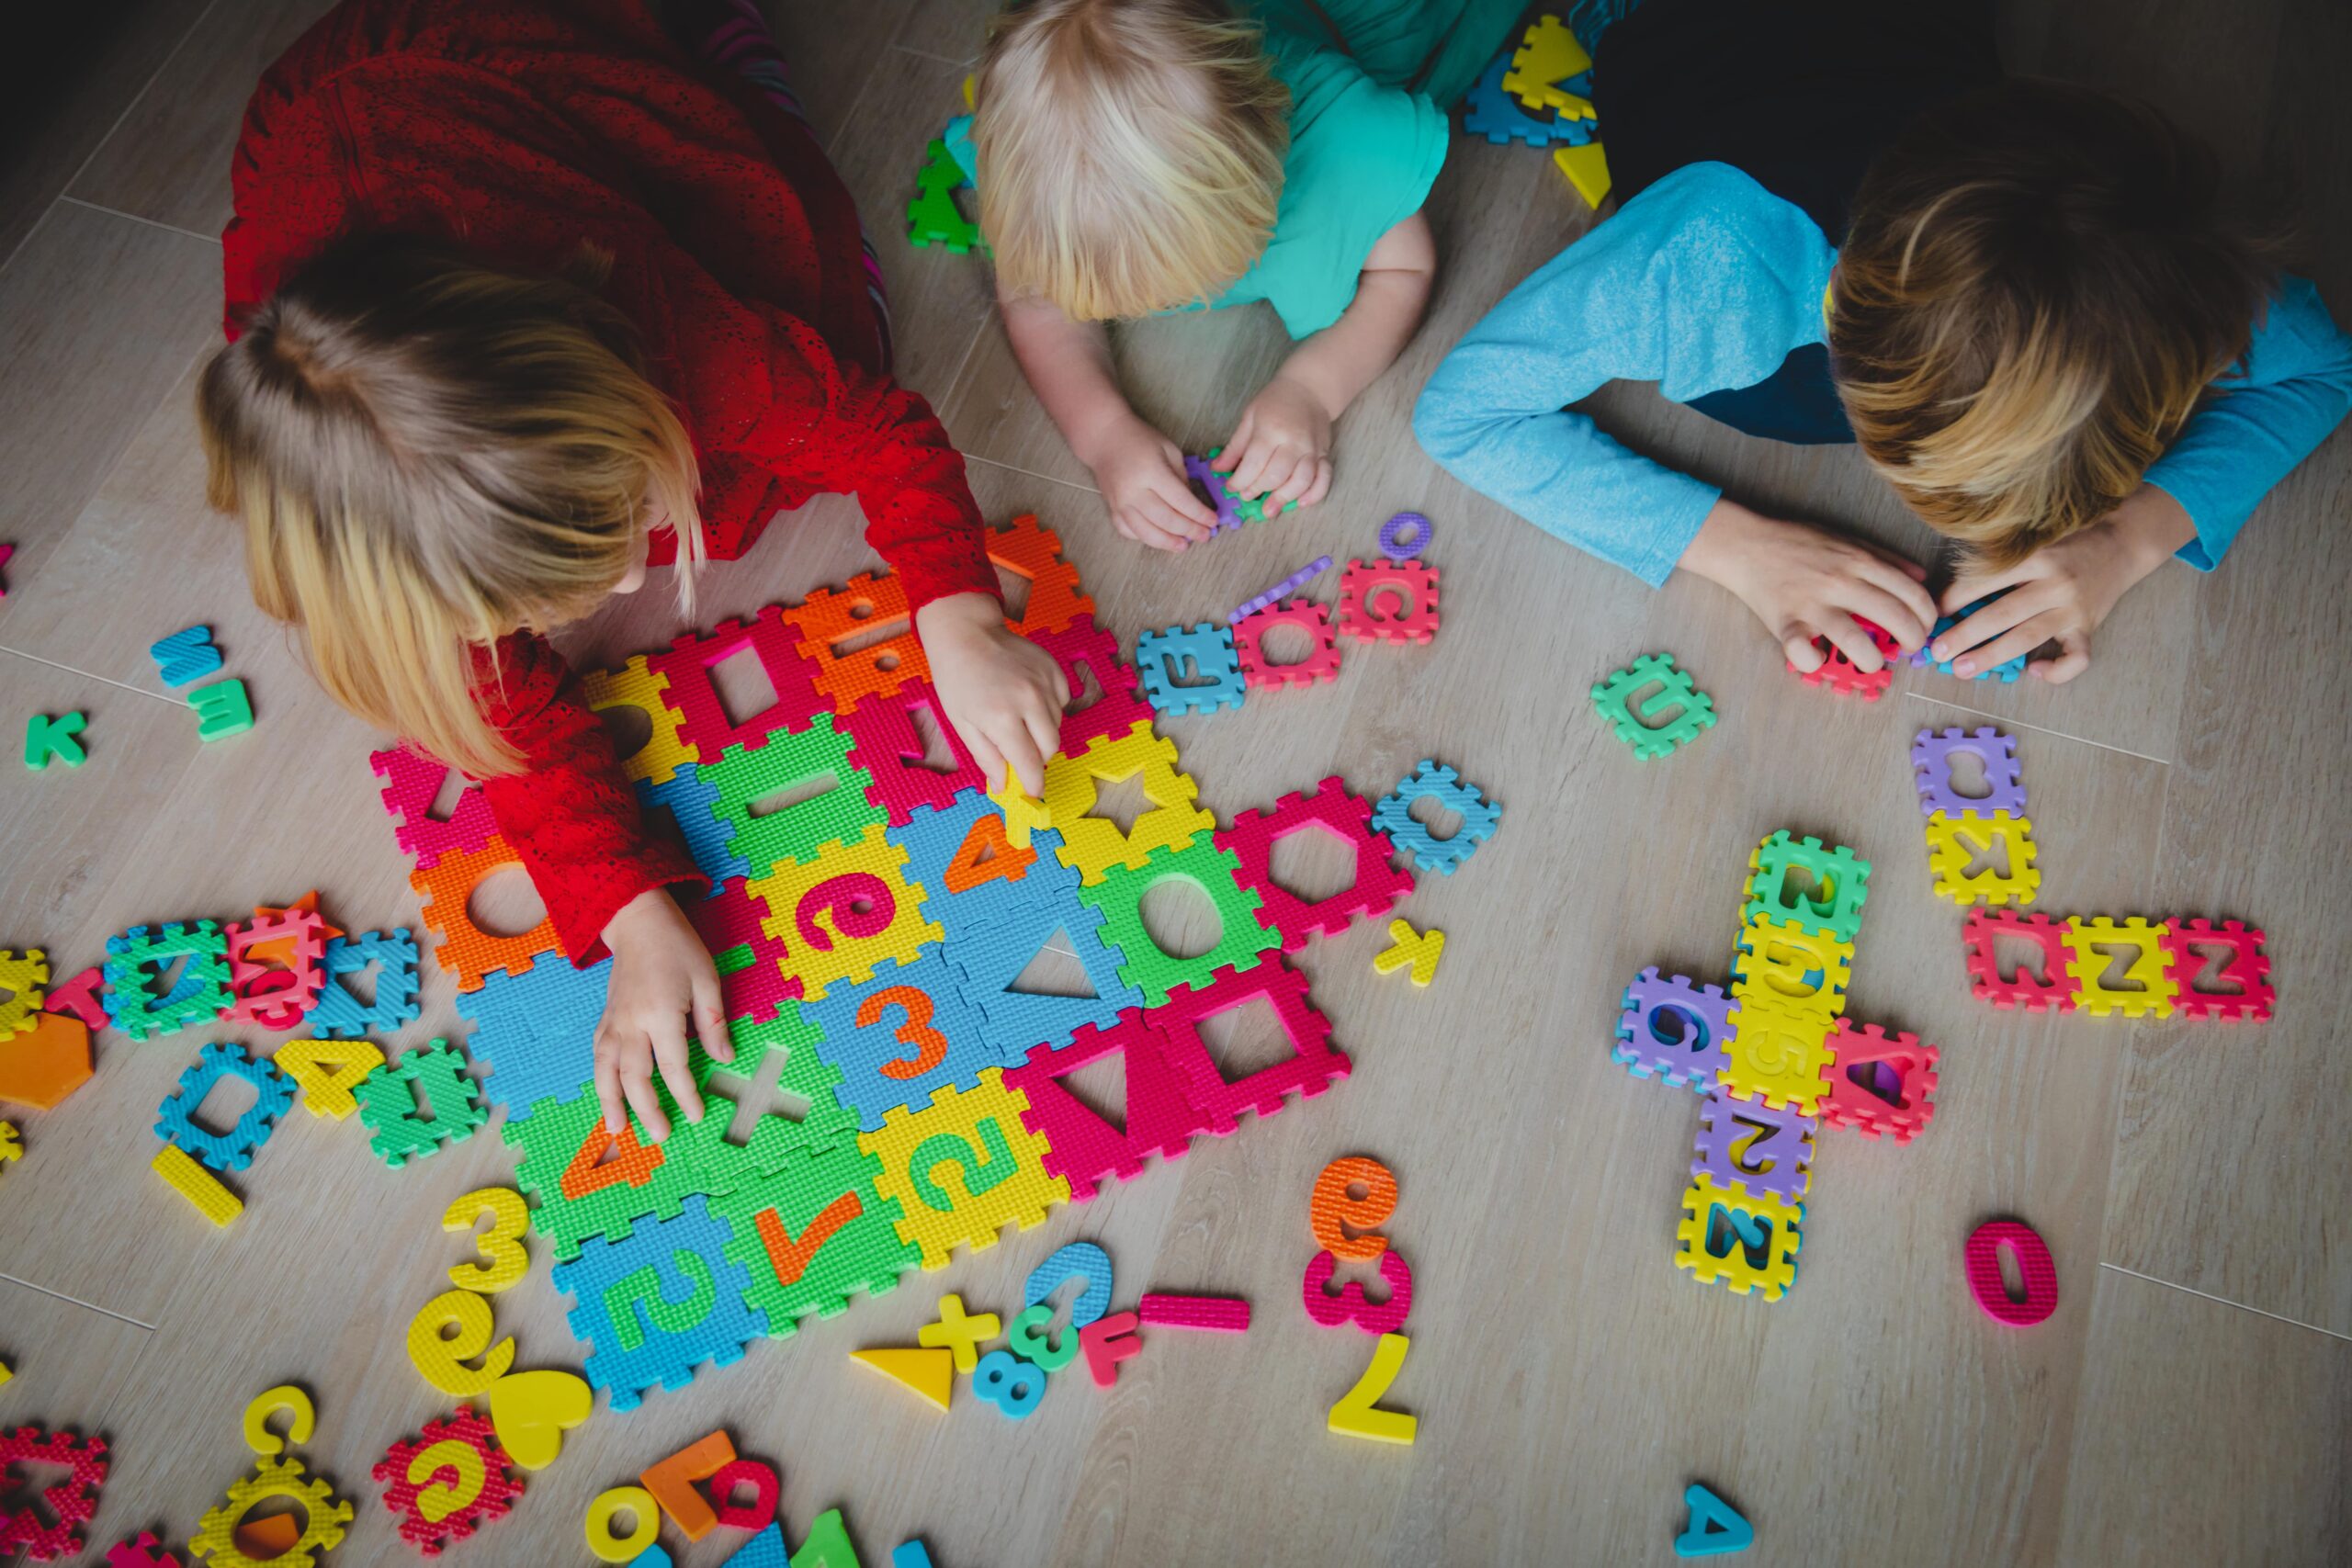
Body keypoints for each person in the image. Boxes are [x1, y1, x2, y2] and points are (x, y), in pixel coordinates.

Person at [198, 0, 1068, 1140]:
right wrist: (630, 915)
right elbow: (496, 718)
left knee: (837, 335)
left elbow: (877, 429)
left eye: (610, 540)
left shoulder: (666, 325)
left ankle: (727, 48)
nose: (624, 593)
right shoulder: (380, 536)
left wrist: (957, 614)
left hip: (504, 59)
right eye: (564, 586)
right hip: (347, 161)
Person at [1416, 0, 2352, 681]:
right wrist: (1733, 547)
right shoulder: (1695, 265)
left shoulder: (2189, 281)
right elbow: (1462, 414)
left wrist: (2127, 538)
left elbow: (2324, 369)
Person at [971, 0, 1521, 550]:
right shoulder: (1049, 172)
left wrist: (1312, 388)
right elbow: (1032, 298)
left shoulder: (1344, 138)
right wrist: (1103, 434)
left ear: (1260, 187)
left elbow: (1404, 268)